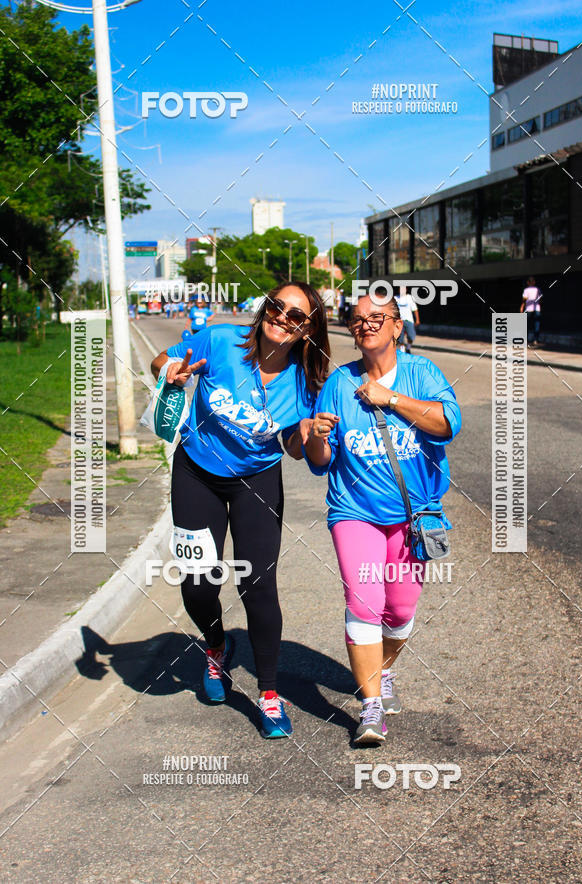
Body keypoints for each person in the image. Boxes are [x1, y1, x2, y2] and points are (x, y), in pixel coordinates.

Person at [151, 283, 330, 739]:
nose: (281, 317)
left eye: (295, 315)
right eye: (276, 306)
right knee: (197, 582)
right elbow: (162, 360)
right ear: (264, 307)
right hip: (197, 473)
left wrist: (306, 432)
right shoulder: (220, 340)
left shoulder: (307, 383)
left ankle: (269, 694)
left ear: (307, 329)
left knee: (257, 584)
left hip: (256, 482)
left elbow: (293, 449)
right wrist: (172, 371)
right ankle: (216, 647)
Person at [303, 293, 461, 744]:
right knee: (364, 602)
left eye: (378, 318)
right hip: (355, 511)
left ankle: (383, 670)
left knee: (400, 613)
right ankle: (370, 709)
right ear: (351, 332)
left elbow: (448, 423)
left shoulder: (422, 373)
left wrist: (390, 398)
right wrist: (317, 437)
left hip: (414, 514)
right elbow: (321, 460)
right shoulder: (337, 383)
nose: (367, 324)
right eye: (358, 320)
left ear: (397, 326)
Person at [395, 285, 420, 353]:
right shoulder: (395, 298)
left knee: (411, 336)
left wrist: (417, 320)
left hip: (409, 320)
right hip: (399, 321)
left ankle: (408, 348)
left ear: (406, 290)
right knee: (400, 338)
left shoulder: (410, 298)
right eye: (400, 289)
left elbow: (415, 309)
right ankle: (402, 351)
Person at [520, 276, 542, 345]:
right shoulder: (537, 289)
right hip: (537, 308)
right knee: (537, 324)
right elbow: (540, 299)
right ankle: (535, 340)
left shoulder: (526, 290)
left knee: (526, 325)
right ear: (534, 282)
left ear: (528, 282)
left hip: (528, 309)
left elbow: (524, 299)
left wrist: (522, 307)